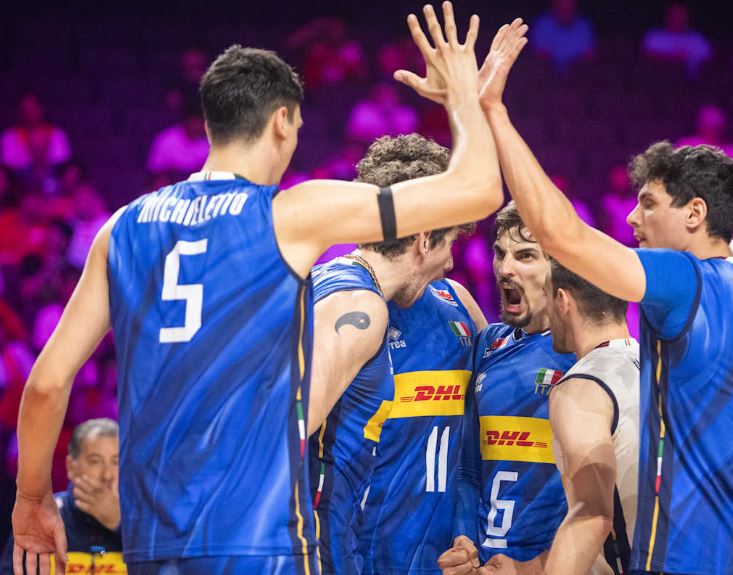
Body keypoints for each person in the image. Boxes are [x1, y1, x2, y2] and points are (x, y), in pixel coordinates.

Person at [13, 4, 503, 573]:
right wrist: (463, 97)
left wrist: (30, 496)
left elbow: (46, 383)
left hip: (154, 540)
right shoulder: (289, 215)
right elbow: (478, 190)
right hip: (259, 540)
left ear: (211, 123)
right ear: (281, 122)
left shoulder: (120, 229)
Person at [468, 19, 733, 574]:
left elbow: (560, 235)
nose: (632, 218)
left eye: (648, 204)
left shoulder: (683, 280)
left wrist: (495, 113)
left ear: (695, 214)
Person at [307, 134, 480, 574]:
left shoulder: (334, 283)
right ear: (423, 240)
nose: (451, 263)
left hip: (345, 537)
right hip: (321, 541)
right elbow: (282, 428)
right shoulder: (357, 305)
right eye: (450, 242)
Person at [437, 202, 575, 572]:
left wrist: (533, 567)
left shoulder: (588, 354)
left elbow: (600, 504)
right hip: (485, 564)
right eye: (500, 254)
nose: (504, 269)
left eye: (525, 255)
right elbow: (468, 470)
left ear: (561, 265)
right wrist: (464, 540)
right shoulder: (488, 344)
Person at [478, 260, 639, 575]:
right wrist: (526, 569)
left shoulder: (580, 387)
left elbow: (593, 519)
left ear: (562, 301)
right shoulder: (658, 368)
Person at [2, 419, 123, 575]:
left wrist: (120, 525)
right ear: (71, 466)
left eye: (116, 462)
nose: (107, 475)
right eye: (95, 461)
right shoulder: (42, 517)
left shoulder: (143, 520)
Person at [530, 0, 597, 73]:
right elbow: (538, 55)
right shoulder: (542, 25)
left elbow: (589, 56)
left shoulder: (584, 27)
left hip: (579, 74)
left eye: (569, 8)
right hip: (547, 74)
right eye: (561, 8)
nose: (565, 11)